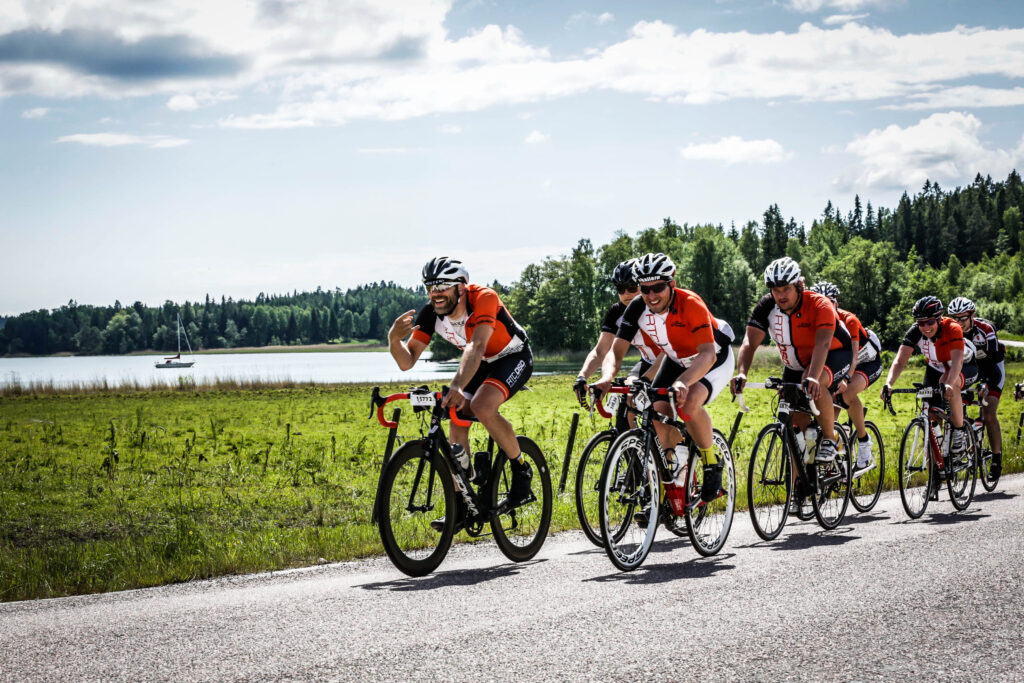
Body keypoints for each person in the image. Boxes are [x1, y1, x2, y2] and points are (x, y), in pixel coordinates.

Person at [388, 257, 534, 514]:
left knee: (481, 406)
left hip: (513, 356)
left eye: (442, 286)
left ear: (461, 286)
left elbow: (476, 346)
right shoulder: (431, 313)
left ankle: (521, 469)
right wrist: (393, 339)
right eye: (430, 287)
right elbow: (407, 361)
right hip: (480, 362)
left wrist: (456, 385)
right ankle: (462, 504)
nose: (436, 293)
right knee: (456, 418)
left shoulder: (484, 298)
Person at [593, 252, 735, 502]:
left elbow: (708, 355)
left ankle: (712, 464)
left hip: (712, 357)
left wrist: (683, 382)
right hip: (677, 359)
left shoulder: (691, 303)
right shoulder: (637, 307)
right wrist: (606, 378)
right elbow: (615, 353)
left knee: (689, 402)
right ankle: (673, 472)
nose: (651, 295)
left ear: (672, 283)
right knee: (656, 409)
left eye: (658, 287)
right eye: (645, 289)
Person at [731, 257, 852, 468]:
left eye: (786, 288)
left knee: (816, 381)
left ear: (799, 285)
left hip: (834, 354)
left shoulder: (819, 304)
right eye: (775, 290)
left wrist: (814, 376)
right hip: (795, 366)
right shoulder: (766, 306)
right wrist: (742, 373)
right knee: (796, 427)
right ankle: (800, 488)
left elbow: (823, 343)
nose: (780, 295)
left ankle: (830, 440)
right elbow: (750, 342)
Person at [881, 296, 978, 460]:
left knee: (950, 385)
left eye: (930, 322)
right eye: (921, 323)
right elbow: (900, 361)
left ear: (939, 319)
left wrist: (948, 385)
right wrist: (889, 384)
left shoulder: (952, 328)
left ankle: (959, 432)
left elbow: (957, 362)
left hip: (963, 366)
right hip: (935, 368)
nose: (925, 327)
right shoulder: (914, 332)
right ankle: (936, 467)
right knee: (931, 414)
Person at [573, 259, 663, 419]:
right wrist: (582, 377)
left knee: (660, 414)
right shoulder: (616, 312)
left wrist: (646, 379)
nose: (627, 294)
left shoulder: (655, 307)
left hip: (670, 360)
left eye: (632, 287)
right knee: (626, 407)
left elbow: (669, 351)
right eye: (621, 289)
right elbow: (601, 351)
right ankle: (634, 441)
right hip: (648, 361)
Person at [810, 281, 883, 471]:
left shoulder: (848, 320)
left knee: (845, 394)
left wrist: (846, 379)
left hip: (866, 362)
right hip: (844, 363)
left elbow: (854, 355)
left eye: (831, 301)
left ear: (837, 302)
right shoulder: (816, 321)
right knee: (827, 405)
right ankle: (836, 448)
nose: (826, 305)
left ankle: (864, 442)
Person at [948, 296, 1005, 477]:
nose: (958, 322)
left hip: (993, 369)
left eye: (962, 318)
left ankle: (996, 459)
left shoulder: (985, 329)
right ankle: (964, 440)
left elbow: (993, 362)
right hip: (969, 371)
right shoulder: (950, 332)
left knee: (988, 413)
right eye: (954, 318)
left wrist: (986, 383)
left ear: (972, 315)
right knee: (956, 408)